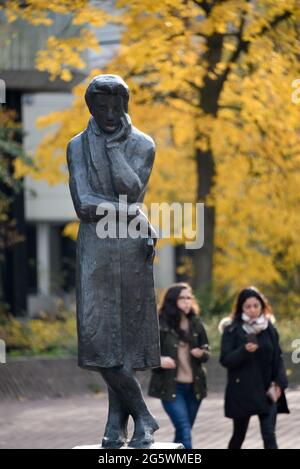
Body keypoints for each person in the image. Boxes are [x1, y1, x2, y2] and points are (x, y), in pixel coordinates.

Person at [67, 74, 160, 448]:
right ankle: (144, 416)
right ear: (90, 107)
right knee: (97, 340)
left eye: (114, 106)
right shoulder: (76, 145)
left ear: (125, 106)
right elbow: (84, 205)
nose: (108, 114)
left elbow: (132, 189)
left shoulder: (143, 144)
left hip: (131, 248)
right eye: (100, 107)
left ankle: (114, 428)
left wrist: (113, 150)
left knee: (126, 342)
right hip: (95, 249)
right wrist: (135, 215)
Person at [219, 286, 289, 449]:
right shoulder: (232, 330)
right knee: (239, 435)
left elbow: (277, 358)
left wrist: (279, 382)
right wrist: (244, 351)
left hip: (267, 390)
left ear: (262, 306)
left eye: (256, 306)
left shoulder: (269, 329)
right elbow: (225, 360)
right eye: (248, 306)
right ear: (241, 308)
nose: (252, 310)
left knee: (269, 434)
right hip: (242, 391)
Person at [148, 282, 210, 449]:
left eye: (189, 297)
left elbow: (207, 352)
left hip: (195, 387)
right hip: (171, 387)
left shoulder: (196, 323)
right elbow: (146, 354)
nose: (187, 301)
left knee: (183, 431)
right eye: (182, 298)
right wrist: (159, 361)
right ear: (172, 300)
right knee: (184, 428)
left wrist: (201, 353)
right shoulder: (160, 324)